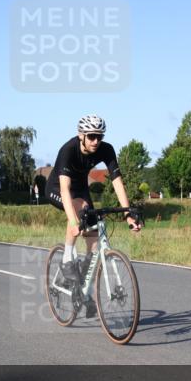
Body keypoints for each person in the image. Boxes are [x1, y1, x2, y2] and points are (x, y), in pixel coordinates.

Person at [45, 114, 142, 289]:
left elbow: (117, 183)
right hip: (57, 188)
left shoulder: (106, 149)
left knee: (94, 236)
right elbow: (65, 190)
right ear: (81, 135)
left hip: (81, 188)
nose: (96, 141)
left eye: (100, 136)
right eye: (91, 136)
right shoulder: (68, 150)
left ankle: (83, 287)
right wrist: (74, 222)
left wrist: (128, 214)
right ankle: (67, 259)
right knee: (80, 207)